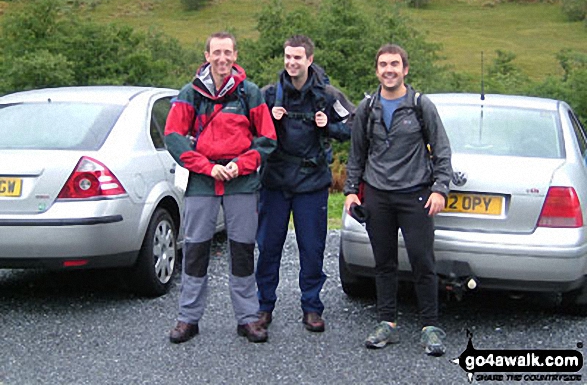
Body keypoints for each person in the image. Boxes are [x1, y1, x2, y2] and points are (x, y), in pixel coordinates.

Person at [164, 32, 277, 344]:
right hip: (202, 182)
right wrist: (207, 166)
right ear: (207, 54)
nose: (222, 59)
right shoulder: (191, 93)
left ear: (235, 55)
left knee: (242, 251)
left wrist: (239, 165)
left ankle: (247, 318)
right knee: (196, 250)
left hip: (242, 182)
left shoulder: (249, 93)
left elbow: (267, 138)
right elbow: (173, 135)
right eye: (217, 52)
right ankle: (188, 318)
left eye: (227, 52)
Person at [343, 43, 452, 356]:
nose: (388, 69)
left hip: (416, 194)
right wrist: (351, 190)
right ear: (377, 70)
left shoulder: (421, 105)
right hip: (378, 195)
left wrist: (439, 189)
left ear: (405, 69)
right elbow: (357, 154)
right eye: (383, 64)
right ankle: (386, 324)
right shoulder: (367, 107)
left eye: (394, 64)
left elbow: (442, 150)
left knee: (422, 260)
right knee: (384, 263)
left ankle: (430, 327)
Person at [255, 35, 354, 334]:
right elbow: (249, 131)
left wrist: (329, 126)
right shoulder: (269, 94)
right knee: (268, 247)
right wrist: (269, 122)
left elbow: (353, 126)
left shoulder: (328, 95)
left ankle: (312, 308)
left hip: (311, 182)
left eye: (297, 57)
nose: (291, 62)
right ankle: (263, 307)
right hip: (274, 180)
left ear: (309, 60)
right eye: (287, 57)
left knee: (312, 248)